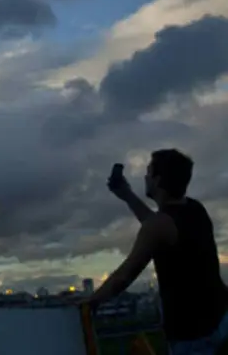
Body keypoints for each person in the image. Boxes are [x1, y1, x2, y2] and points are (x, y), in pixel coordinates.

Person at [86, 149, 228, 354]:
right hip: (220, 322)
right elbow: (158, 227)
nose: (145, 177)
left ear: (158, 180)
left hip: (195, 339)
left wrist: (90, 302)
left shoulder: (159, 226)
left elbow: (124, 277)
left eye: (149, 172)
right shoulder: (195, 208)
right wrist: (127, 195)